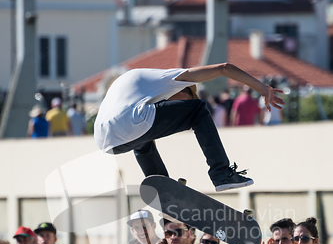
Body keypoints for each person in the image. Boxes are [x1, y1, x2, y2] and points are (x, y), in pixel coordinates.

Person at [95, 63, 284, 192]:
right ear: (180, 90)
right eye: (185, 99)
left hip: (106, 141)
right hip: (127, 123)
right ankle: (221, 173)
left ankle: (162, 189)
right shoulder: (170, 79)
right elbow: (224, 68)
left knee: (143, 143)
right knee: (198, 110)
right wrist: (261, 87)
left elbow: (130, 126)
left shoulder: (142, 89)